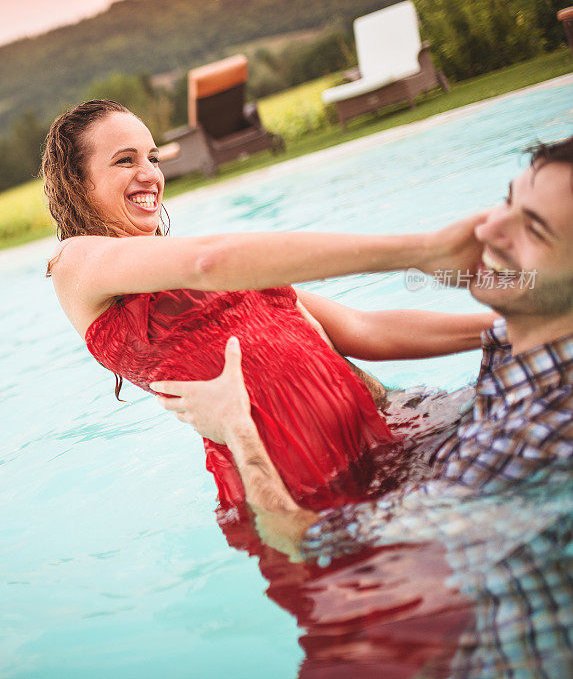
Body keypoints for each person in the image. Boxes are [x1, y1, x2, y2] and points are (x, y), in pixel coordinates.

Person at [43, 99, 493, 512]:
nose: (150, 174)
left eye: (153, 158)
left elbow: (361, 327)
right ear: (78, 183)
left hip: (389, 425)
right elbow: (208, 261)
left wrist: (505, 326)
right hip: (302, 481)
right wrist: (423, 249)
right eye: (126, 160)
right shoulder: (76, 262)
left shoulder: (213, 266)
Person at [150, 135, 573, 557]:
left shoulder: (536, 435)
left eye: (533, 229)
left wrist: (235, 428)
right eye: (507, 201)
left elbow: (301, 538)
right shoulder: (518, 347)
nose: (487, 228)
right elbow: (362, 328)